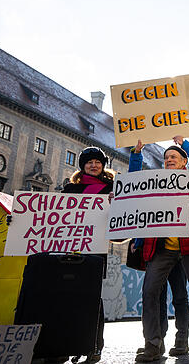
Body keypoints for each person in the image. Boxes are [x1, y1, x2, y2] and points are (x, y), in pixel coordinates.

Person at [130, 136, 189, 362]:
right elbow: (133, 188)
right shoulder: (155, 182)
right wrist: (135, 156)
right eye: (166, 158)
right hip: (160, 248)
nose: (169, 160)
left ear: (184, 162)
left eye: (174, 157)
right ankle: (152, 344)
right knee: (150, 292)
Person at [59, 147, 116, 363]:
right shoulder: (70, 189)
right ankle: (70, 344)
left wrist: (115, 203)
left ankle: (94, 346)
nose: (93, 165)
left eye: (97, 162)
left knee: (93, 301)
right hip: (71, 250)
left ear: (103, 165)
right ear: (82, 165)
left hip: (96, 251)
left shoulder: (111, 189)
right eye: (89, 162)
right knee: (69, 299)